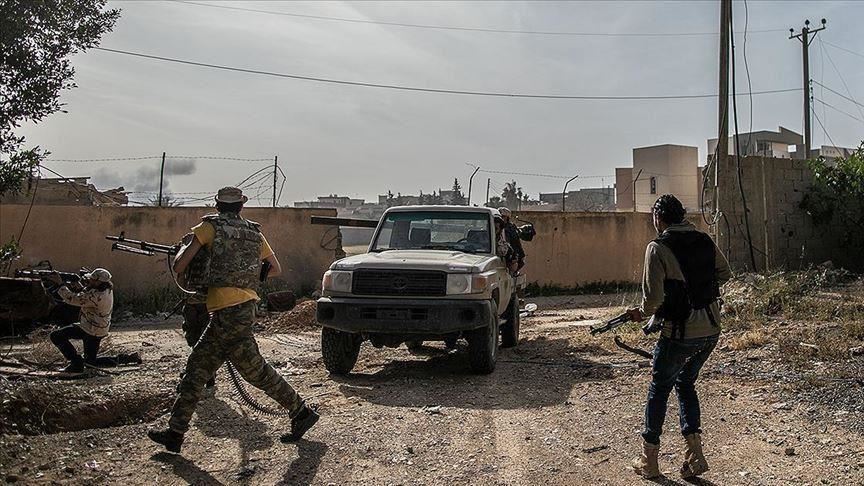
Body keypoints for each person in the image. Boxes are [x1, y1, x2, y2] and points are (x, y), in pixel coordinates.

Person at [148, 187, 318, 453]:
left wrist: (183, 250)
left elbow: (180, 266)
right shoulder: (254, 232)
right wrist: (245, 274)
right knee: (196, 370)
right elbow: (275, 268)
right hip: (239, 308)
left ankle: (301, 411)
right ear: (241, 206)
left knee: (253, 371)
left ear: (217, 205)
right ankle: (175, 434)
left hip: (228, 313)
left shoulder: (208, 228)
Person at [626, 194, 732, 480]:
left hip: (679, 333)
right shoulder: (704, 240)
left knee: (659, 389)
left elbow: (652, 299)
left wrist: (641, 313)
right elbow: (725, 273)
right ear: (682, 216)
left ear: (658, 218)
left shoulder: (657, 247)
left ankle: (649, 460)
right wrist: (699, 287)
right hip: (711, 330)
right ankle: (694, 456)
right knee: (685, 384)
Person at [47, 268, 134, 373]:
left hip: (90, 328)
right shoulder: (106, 290)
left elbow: (73, 299)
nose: (89, 281)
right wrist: (80, 287)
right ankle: (125, 359)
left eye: (92, 279)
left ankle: (76, 363)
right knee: (90, 362)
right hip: (98, 328)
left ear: (98, 282)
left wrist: (60, 284)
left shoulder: (96, 296)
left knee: (56, 336)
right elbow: (87, 294)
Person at [498, 207, 525, 275]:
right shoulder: (494, 226)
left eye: (503, 217)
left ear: (507, 218)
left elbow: (516, 241)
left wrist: (520, 254)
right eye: (500, 217)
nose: (502, 218)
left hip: (509, 254)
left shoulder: (511, 227)